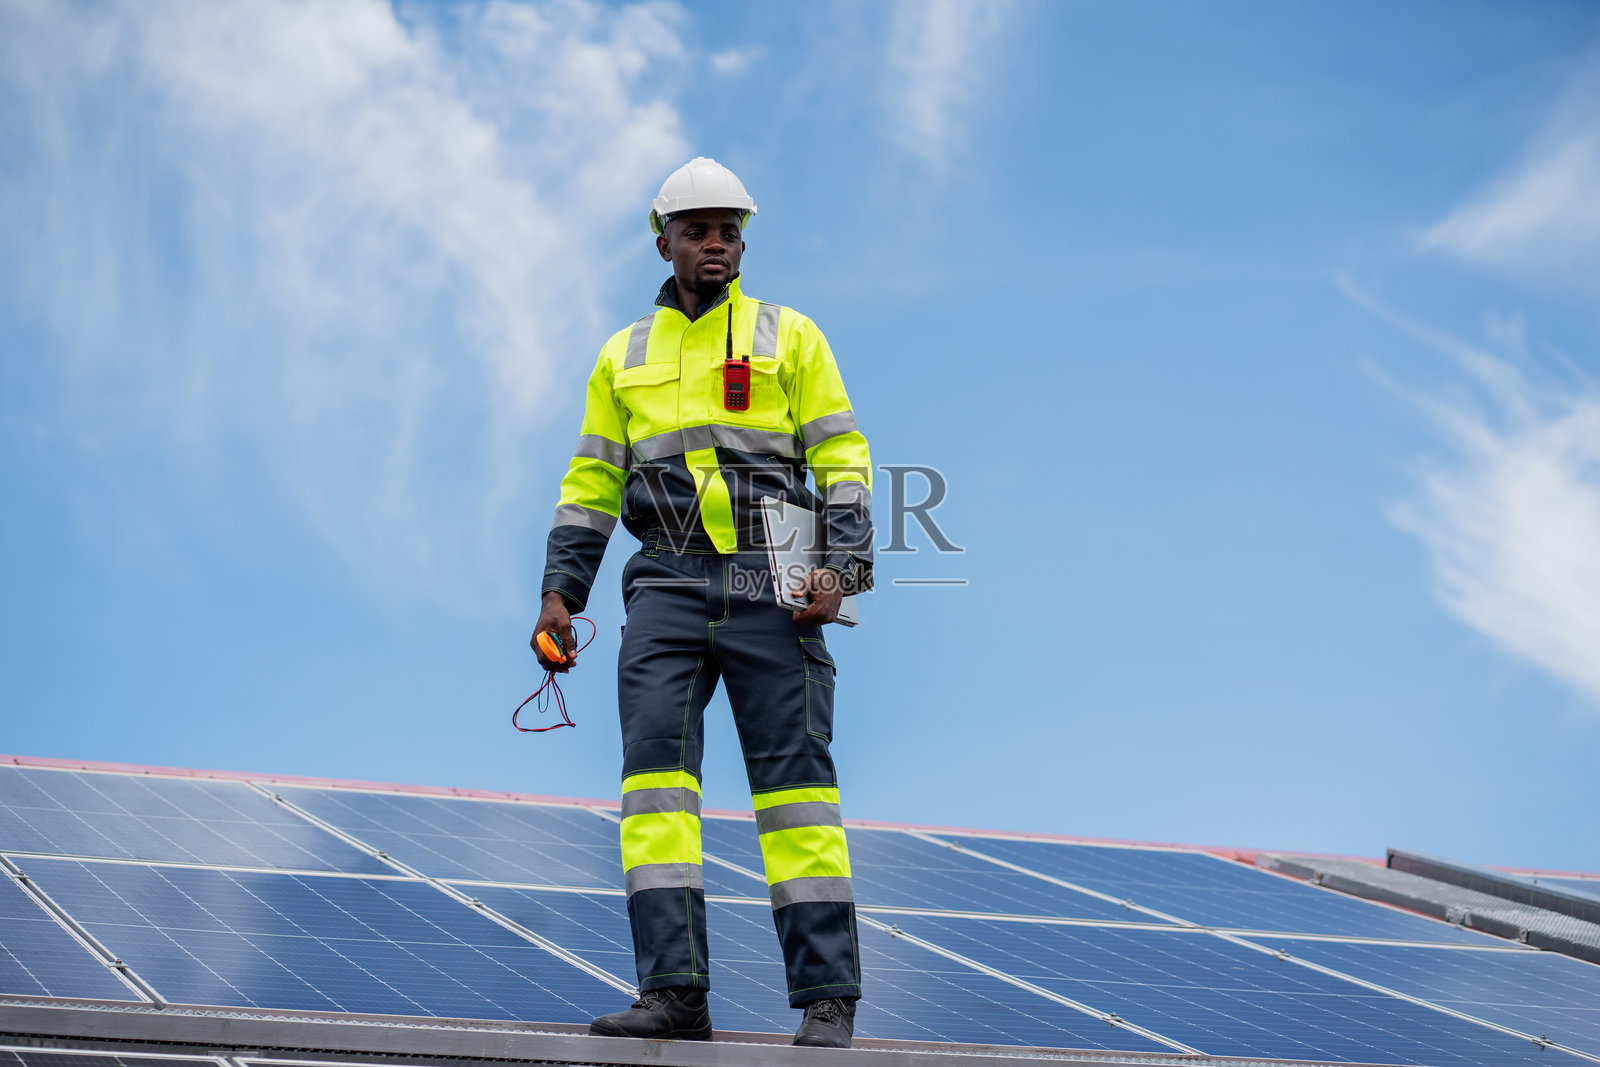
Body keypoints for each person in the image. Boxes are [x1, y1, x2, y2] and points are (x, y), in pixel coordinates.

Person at [531, 157, 873, 1049]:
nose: (715, 242)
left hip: (774, 578)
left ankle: (827, 996)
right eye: (697, 230)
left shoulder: (789, 335)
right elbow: (591, 482)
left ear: (743, 242)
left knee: (796, 789)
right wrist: (561, 592)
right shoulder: (624, 353)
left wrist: (842, 569)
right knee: (655, 788)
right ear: (665, 243)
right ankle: (673, 992)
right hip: (667, 583)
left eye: (728, 229)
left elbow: (842, 458)